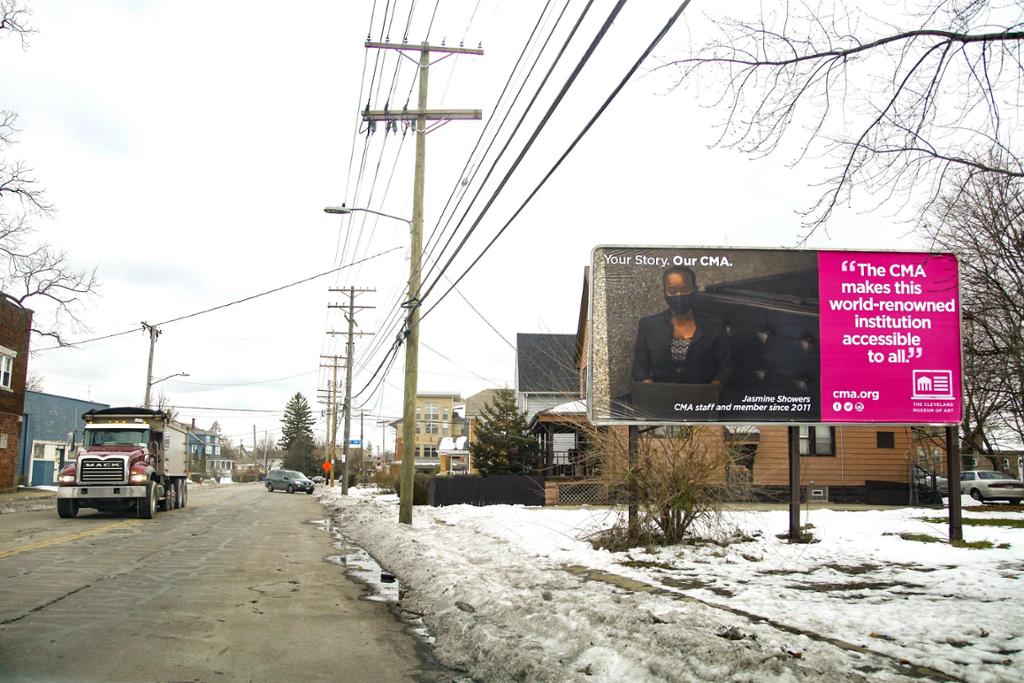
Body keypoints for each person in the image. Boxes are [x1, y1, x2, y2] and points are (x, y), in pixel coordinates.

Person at [631, 265, 732, 386]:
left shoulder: (714, 325)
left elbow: (726, 366)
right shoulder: (649, 325)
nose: (679, 295)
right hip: (661, 394)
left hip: (702, 394)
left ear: (695, 289)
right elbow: (639, 367)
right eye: (672, 290)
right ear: (665, 292)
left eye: (685, 289)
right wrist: (650, 386)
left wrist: (714, 386)